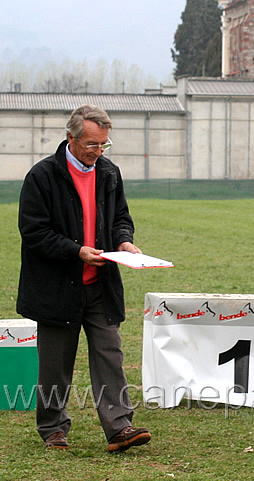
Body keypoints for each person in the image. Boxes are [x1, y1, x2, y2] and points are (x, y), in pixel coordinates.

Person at [17, 104, 151, 452]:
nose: (97, 152)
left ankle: (120, 427)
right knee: (55, 365)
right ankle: (53, 429)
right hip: (57, 288)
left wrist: (123, 239)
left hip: (100, 285)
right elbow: (34, 232)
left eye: (103, 145)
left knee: (110, 354)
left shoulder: (109, 173)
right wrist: (75, 251)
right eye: (92, 144)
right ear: (70, 138)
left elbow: (121, 216)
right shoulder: (41, 176)